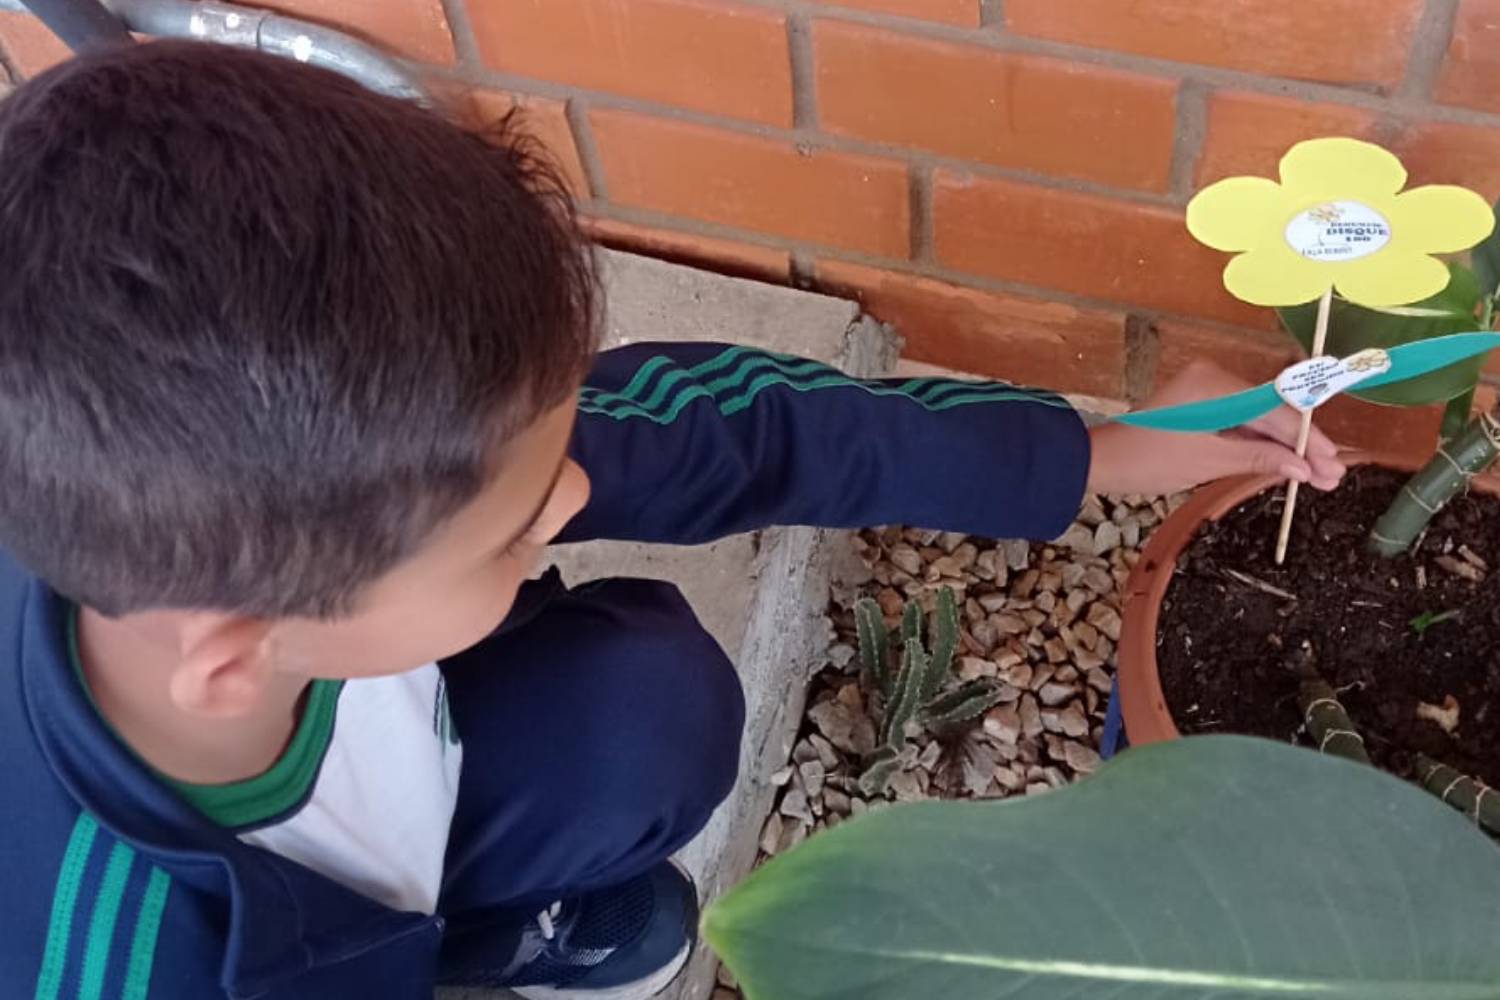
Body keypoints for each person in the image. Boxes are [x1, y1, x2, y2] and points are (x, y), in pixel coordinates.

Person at [0, 40, 1345, 1000]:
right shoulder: (126, 960)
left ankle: (481, 908)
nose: (575, 497)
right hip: (307, 939)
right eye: (515, 528)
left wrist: (1096, 447)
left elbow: (738, 428)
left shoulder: (336, 476)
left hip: (410, 755)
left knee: (648, 702)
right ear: (237, 654)